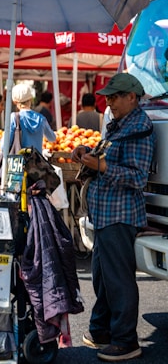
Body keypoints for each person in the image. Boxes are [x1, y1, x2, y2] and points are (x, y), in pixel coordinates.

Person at [72, 73, 155, 362]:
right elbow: (105, 157)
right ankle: (101, 330)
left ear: (132, 97)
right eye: (107, 97)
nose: (109, 102)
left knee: (118, 280)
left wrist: (102, 166)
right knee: (103, 277)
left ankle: (125, 340)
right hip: (105, 212)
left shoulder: (139, 128)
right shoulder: (119, 124)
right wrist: (86, 154)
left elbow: (137, 177)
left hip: (119, 213)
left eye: (115, 96)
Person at [3, 83, 56, 154]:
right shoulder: (41, 118)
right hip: (36, 161)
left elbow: (4, 146)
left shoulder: (14, 117)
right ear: (31, 99)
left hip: (19, 162)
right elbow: (52, 138)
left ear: (15, 102)